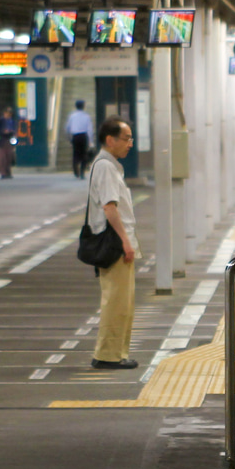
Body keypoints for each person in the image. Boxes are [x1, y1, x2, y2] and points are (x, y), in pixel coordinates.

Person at [87, 117, 141, 369]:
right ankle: (107, 355)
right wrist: (125, 242)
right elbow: (110, 208)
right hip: (114, 243)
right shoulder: (106, 167)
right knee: (116, 301)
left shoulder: (110, 166)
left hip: (118, 241)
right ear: (110, 140)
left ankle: (117, 353)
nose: (130, 143)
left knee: (123, 302)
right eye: (126, 138)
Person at [67, 99, 93, 179]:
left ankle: (76, 171)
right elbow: (89, 129)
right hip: (84, 136)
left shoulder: (72, 116)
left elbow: (68, 127)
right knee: (84, 154)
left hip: (75, 136)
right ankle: (82, 172)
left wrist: (69, 137)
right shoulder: (86, 116)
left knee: (75, 154)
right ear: (83, 106)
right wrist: (90, 141)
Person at [0, 107, 17, 178]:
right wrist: (3, 132)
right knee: (2, 158)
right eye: (7, 113)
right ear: (4, 113)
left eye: (10, 113)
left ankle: (8, 172)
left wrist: (12, 132)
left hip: (9, 140)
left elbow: (14, 129)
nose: (8, 115)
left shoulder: (12, 121)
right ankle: (3, 173)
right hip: (1, 140)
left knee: (9, 157)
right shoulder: (0, 121)